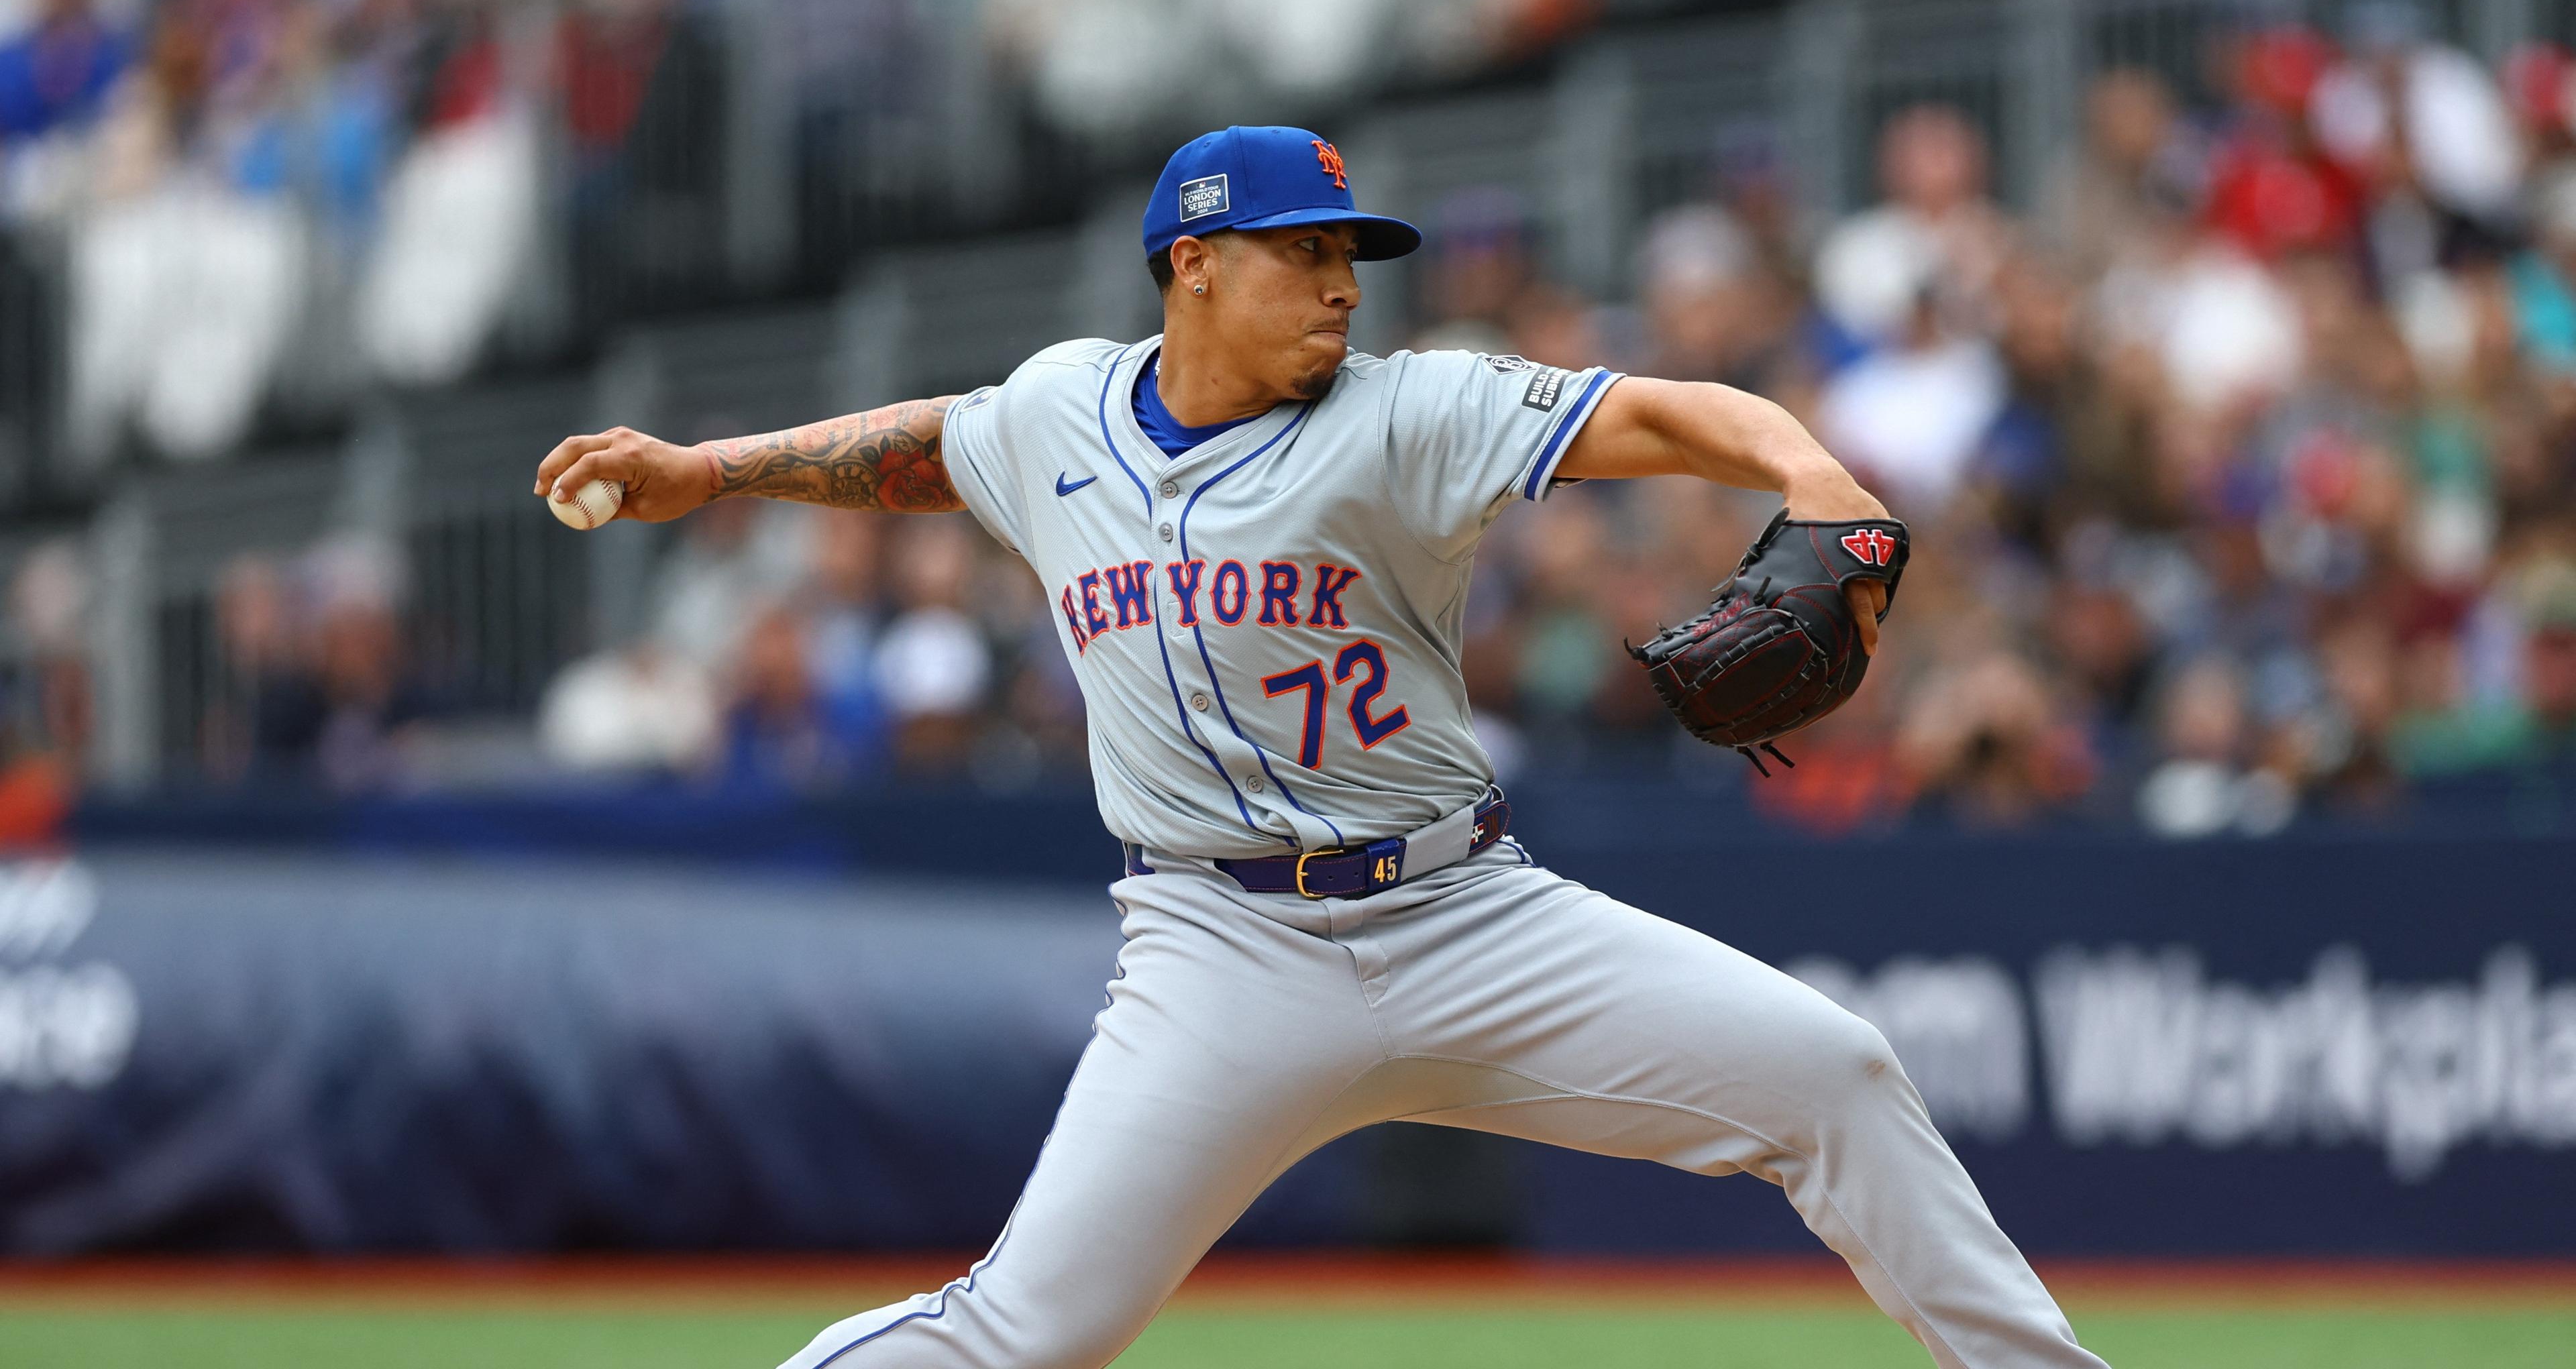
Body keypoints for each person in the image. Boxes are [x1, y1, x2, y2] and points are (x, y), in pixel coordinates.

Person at [535, 125, 2106, 1369]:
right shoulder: (1058, 412)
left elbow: (1660, 412)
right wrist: (710, 468)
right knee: (1027, 1334)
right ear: (1195, 264)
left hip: (1470, 917)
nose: (1345, 283)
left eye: (1353, 253)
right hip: (1220, 952)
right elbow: (920, 449)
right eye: (1305, 254)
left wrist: (1809, 463)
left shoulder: (1408, 412)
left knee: (1834, 1074)